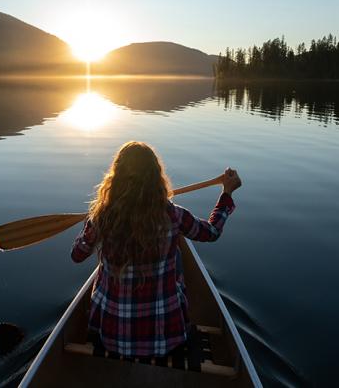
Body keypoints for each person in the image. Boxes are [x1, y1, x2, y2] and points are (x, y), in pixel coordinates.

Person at [71, 141, 241, 358]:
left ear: (116, 178)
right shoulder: (173, 215)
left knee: (109, 266)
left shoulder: (102, 217)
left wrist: (91, 223)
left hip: (111, 339)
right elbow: (212, 232)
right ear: (156, 177)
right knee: (176, 254)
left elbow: (77, 255)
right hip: (167, 340)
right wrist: (227, 195)